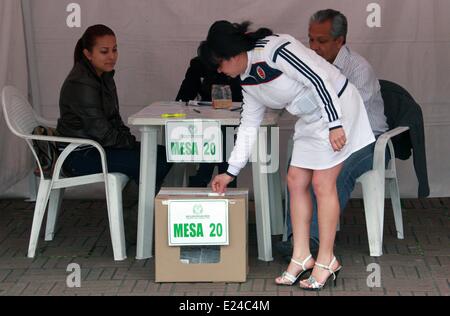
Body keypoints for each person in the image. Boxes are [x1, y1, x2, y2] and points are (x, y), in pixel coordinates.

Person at [200, 20, 375, 290]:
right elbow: (248, 125)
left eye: (220, 65)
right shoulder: (247, 80)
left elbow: (319, 78)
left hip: (336, 106)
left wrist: (335, 124)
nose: (221, 72)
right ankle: (301, 255)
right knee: (294, 180)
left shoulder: (275, 49)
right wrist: (230, 171)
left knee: (322, 183)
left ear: (232, 55)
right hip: (309, 118)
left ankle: (327, 260)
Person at [277, 9, 390, 261]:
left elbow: (349, 115)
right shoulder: (307, 66)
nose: (314, 47)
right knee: (298, 166)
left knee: (332, 170)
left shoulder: (358, 68)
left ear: (340, 41)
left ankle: (316, 241)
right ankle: (297, 239)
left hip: (366, 140)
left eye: (322, 41)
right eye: (311, 40)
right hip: (328, 138)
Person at [57, 24, 172, 191]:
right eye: (104, 51)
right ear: (88, 54)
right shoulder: (81, 83)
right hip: (80, 154)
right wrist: (130, 142)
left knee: (164, 155)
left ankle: (142, 207)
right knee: (155, 162)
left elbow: (114, 119)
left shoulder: (104, 76)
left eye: (114, 50)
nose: (112, 56)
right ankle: (141, 211)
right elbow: (102, 133)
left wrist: (129, 140)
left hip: (99, 147)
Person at [176, 56, 242, 188]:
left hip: (235, 125)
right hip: (204, 126)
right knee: (216, 133)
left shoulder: (238, 63)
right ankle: (225, 179)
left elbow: (244, 97)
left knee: (222, 133)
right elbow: (183, 98)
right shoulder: (198, 65)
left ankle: (202, 177)